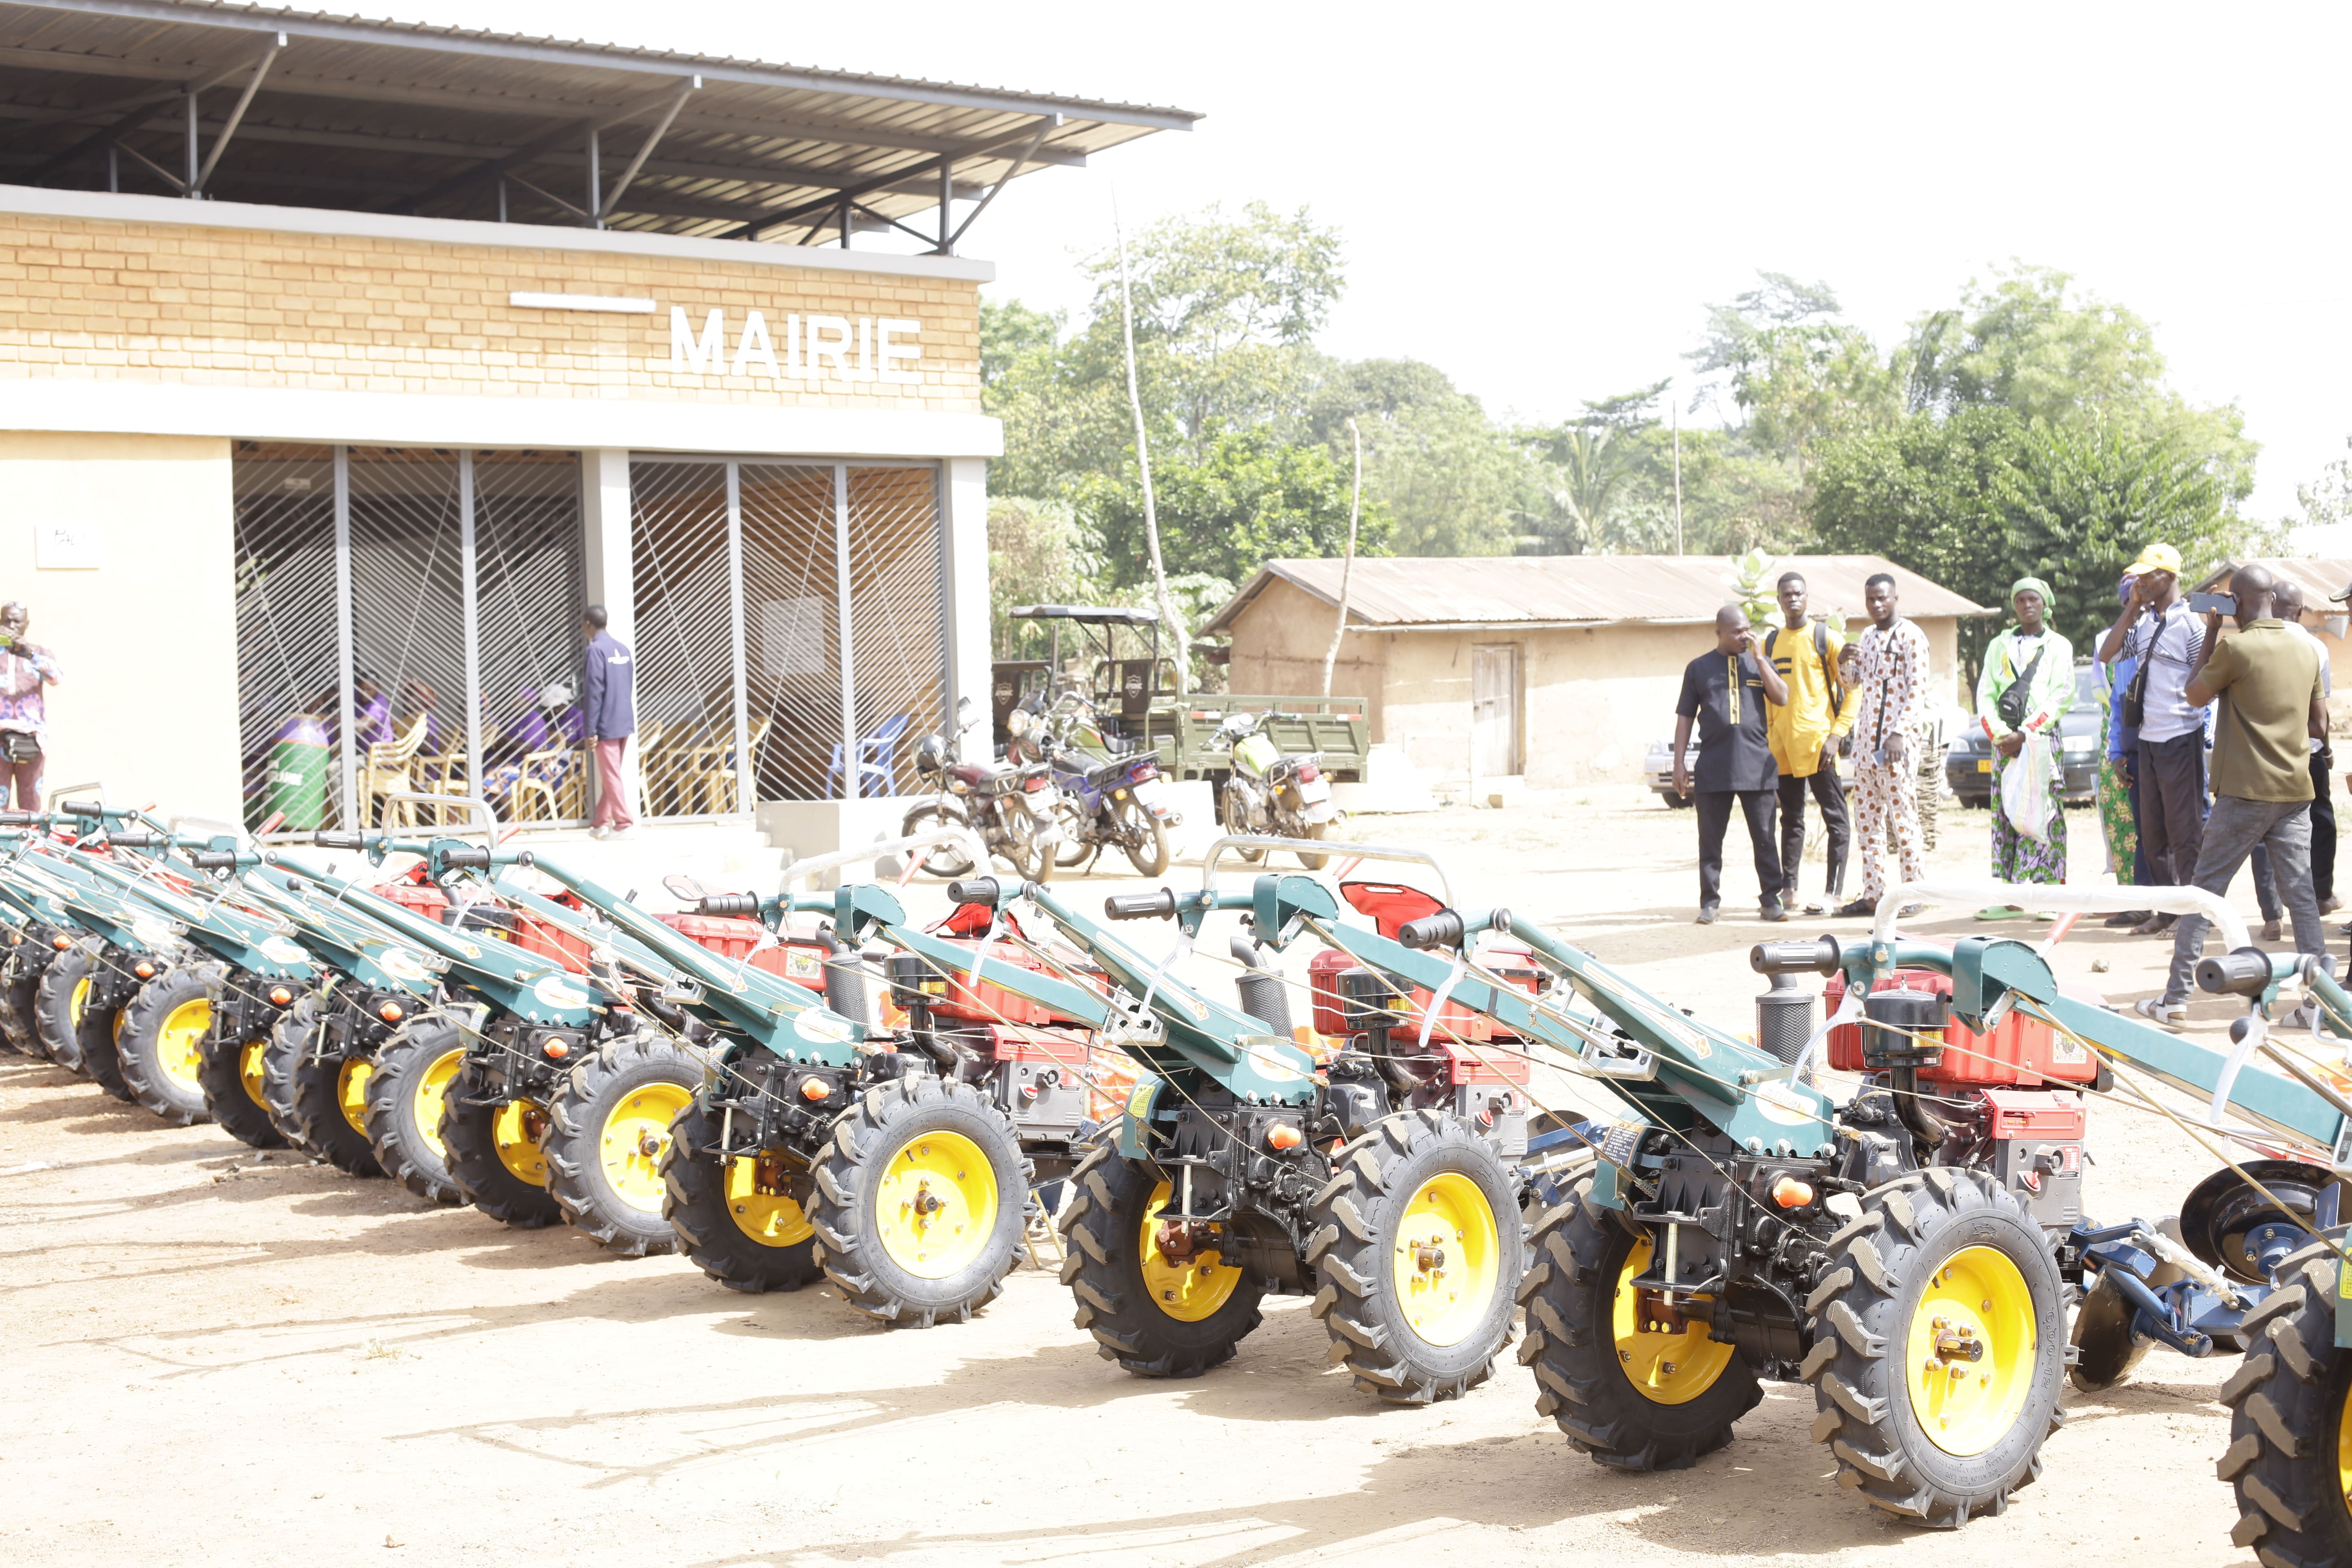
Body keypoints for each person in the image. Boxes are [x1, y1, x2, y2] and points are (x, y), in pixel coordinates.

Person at [2135, 564, 2326, 1026]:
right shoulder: (2307, 650)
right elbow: (2319, 726)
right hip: (2295, 792)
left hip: (2244, 793)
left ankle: (2176, 999)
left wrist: (2212, 636)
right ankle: (2319, 1006)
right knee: (2301, 899)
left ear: (2235, 603)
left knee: (2204, 895)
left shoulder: (2236, 648)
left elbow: (2194, 695)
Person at [2099, 543, 2205, 937]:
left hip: (2181, 736)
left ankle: (2194, 915)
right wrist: (2132, 608)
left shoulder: (2192, 625)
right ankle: (2166, 912)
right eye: (2138, 576)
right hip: (2147, 739)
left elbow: (2204, 683)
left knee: (2185, 833)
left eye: (2149, 576)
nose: (2141, 582)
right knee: (2154, 833)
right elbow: (2107, 655)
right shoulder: (2143, 624)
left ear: (2171, 577)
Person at [1673, 605, 1790, 924]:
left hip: (1758, 768)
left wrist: (1761, 659)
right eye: (1736, 631)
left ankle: (1771, 901)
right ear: (1719, 633)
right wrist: (1679, 763)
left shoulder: (1758, 663)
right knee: (1710, 841)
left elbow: (1781, 697)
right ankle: (1709, 903)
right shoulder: (1698, 668)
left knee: (1765, 840)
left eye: (1747, 629)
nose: (1744, 636)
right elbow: (1685, 716)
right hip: (1714, 767)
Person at [1974, 577, 2076, 913]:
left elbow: (2062, 693)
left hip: (2041, 740)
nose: (2027, 605)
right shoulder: (1998, 646)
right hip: (2004, 743)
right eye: (2021, 600)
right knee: (2007, 811)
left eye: (2034, 599)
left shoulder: (2059, 645)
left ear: (2045, 604)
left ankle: (2049, 895)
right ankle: (2010, 897)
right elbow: (1986, 693)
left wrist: (2027, 734)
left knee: (2044, 812)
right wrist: (2002, 735)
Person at [1838, 573, 1931, 918]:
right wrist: (1843, 662)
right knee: (1868, 823)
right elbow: (1852, 683)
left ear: (1895, 598)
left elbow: (1918, 690)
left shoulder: (1912, 637)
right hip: (1865, 749)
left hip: (1895, 748)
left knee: (1903, 821)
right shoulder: (1866, 636)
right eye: (1871, 600)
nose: (1877, 605)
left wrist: (1899, 732)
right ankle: (1874, 894)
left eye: (1883, 598)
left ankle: (1914, 892)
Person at [1761, 571, 1853, 915]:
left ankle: (1834, 893)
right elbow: (1770, 697)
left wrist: (1836, 734)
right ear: (1780, 600)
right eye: (1787, 595)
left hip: (1820, 747)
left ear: (1807, 597)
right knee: (1791, 820)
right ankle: (1790, 888)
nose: (1793, 599)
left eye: (1798, 593)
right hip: (1783, 748)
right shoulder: (1772, 642)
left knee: (1836, 819)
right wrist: (1771, 737)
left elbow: (1853, 688)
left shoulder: (1825, 637)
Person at [2248, 578, 2337, 929]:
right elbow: (2322, 714)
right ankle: (2318, 897)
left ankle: (2272, 915)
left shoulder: (2247, 644)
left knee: (2260, 831)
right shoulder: (2316, 647)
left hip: (2261, 754)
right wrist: (2326, 749)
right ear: (2300, 610)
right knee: (2316, 823)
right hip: (2306, 751)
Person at [2094, 575, 2154, 929]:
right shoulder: (2118, 642)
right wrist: (2116, 749)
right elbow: (2116, 699)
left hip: (2172, 744)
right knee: (2139, 827)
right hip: (2130, 746)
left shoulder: (2176, 627)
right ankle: (2140, 902)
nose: (2137, 603)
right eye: (2130, 599)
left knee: (2178, 832)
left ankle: (2183, 910)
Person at [581, 604, 637, 840]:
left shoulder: (595, 650)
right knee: (610, 772)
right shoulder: (623, 649)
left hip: (605, 724)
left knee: (610, 774)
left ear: (588, 625)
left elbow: (594, 692)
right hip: (623, 720)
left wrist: (591, 729)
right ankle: (601, 822)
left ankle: (624, 823)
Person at [0, 601, 60, 809]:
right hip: (0, 736)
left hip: (31, 738)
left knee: (30, 803)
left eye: (17, 621)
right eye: (7, 620)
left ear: (26, 625)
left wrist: (28, 653)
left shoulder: (39, 652)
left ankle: (31, 841)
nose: (11, 626)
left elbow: (56, 677)